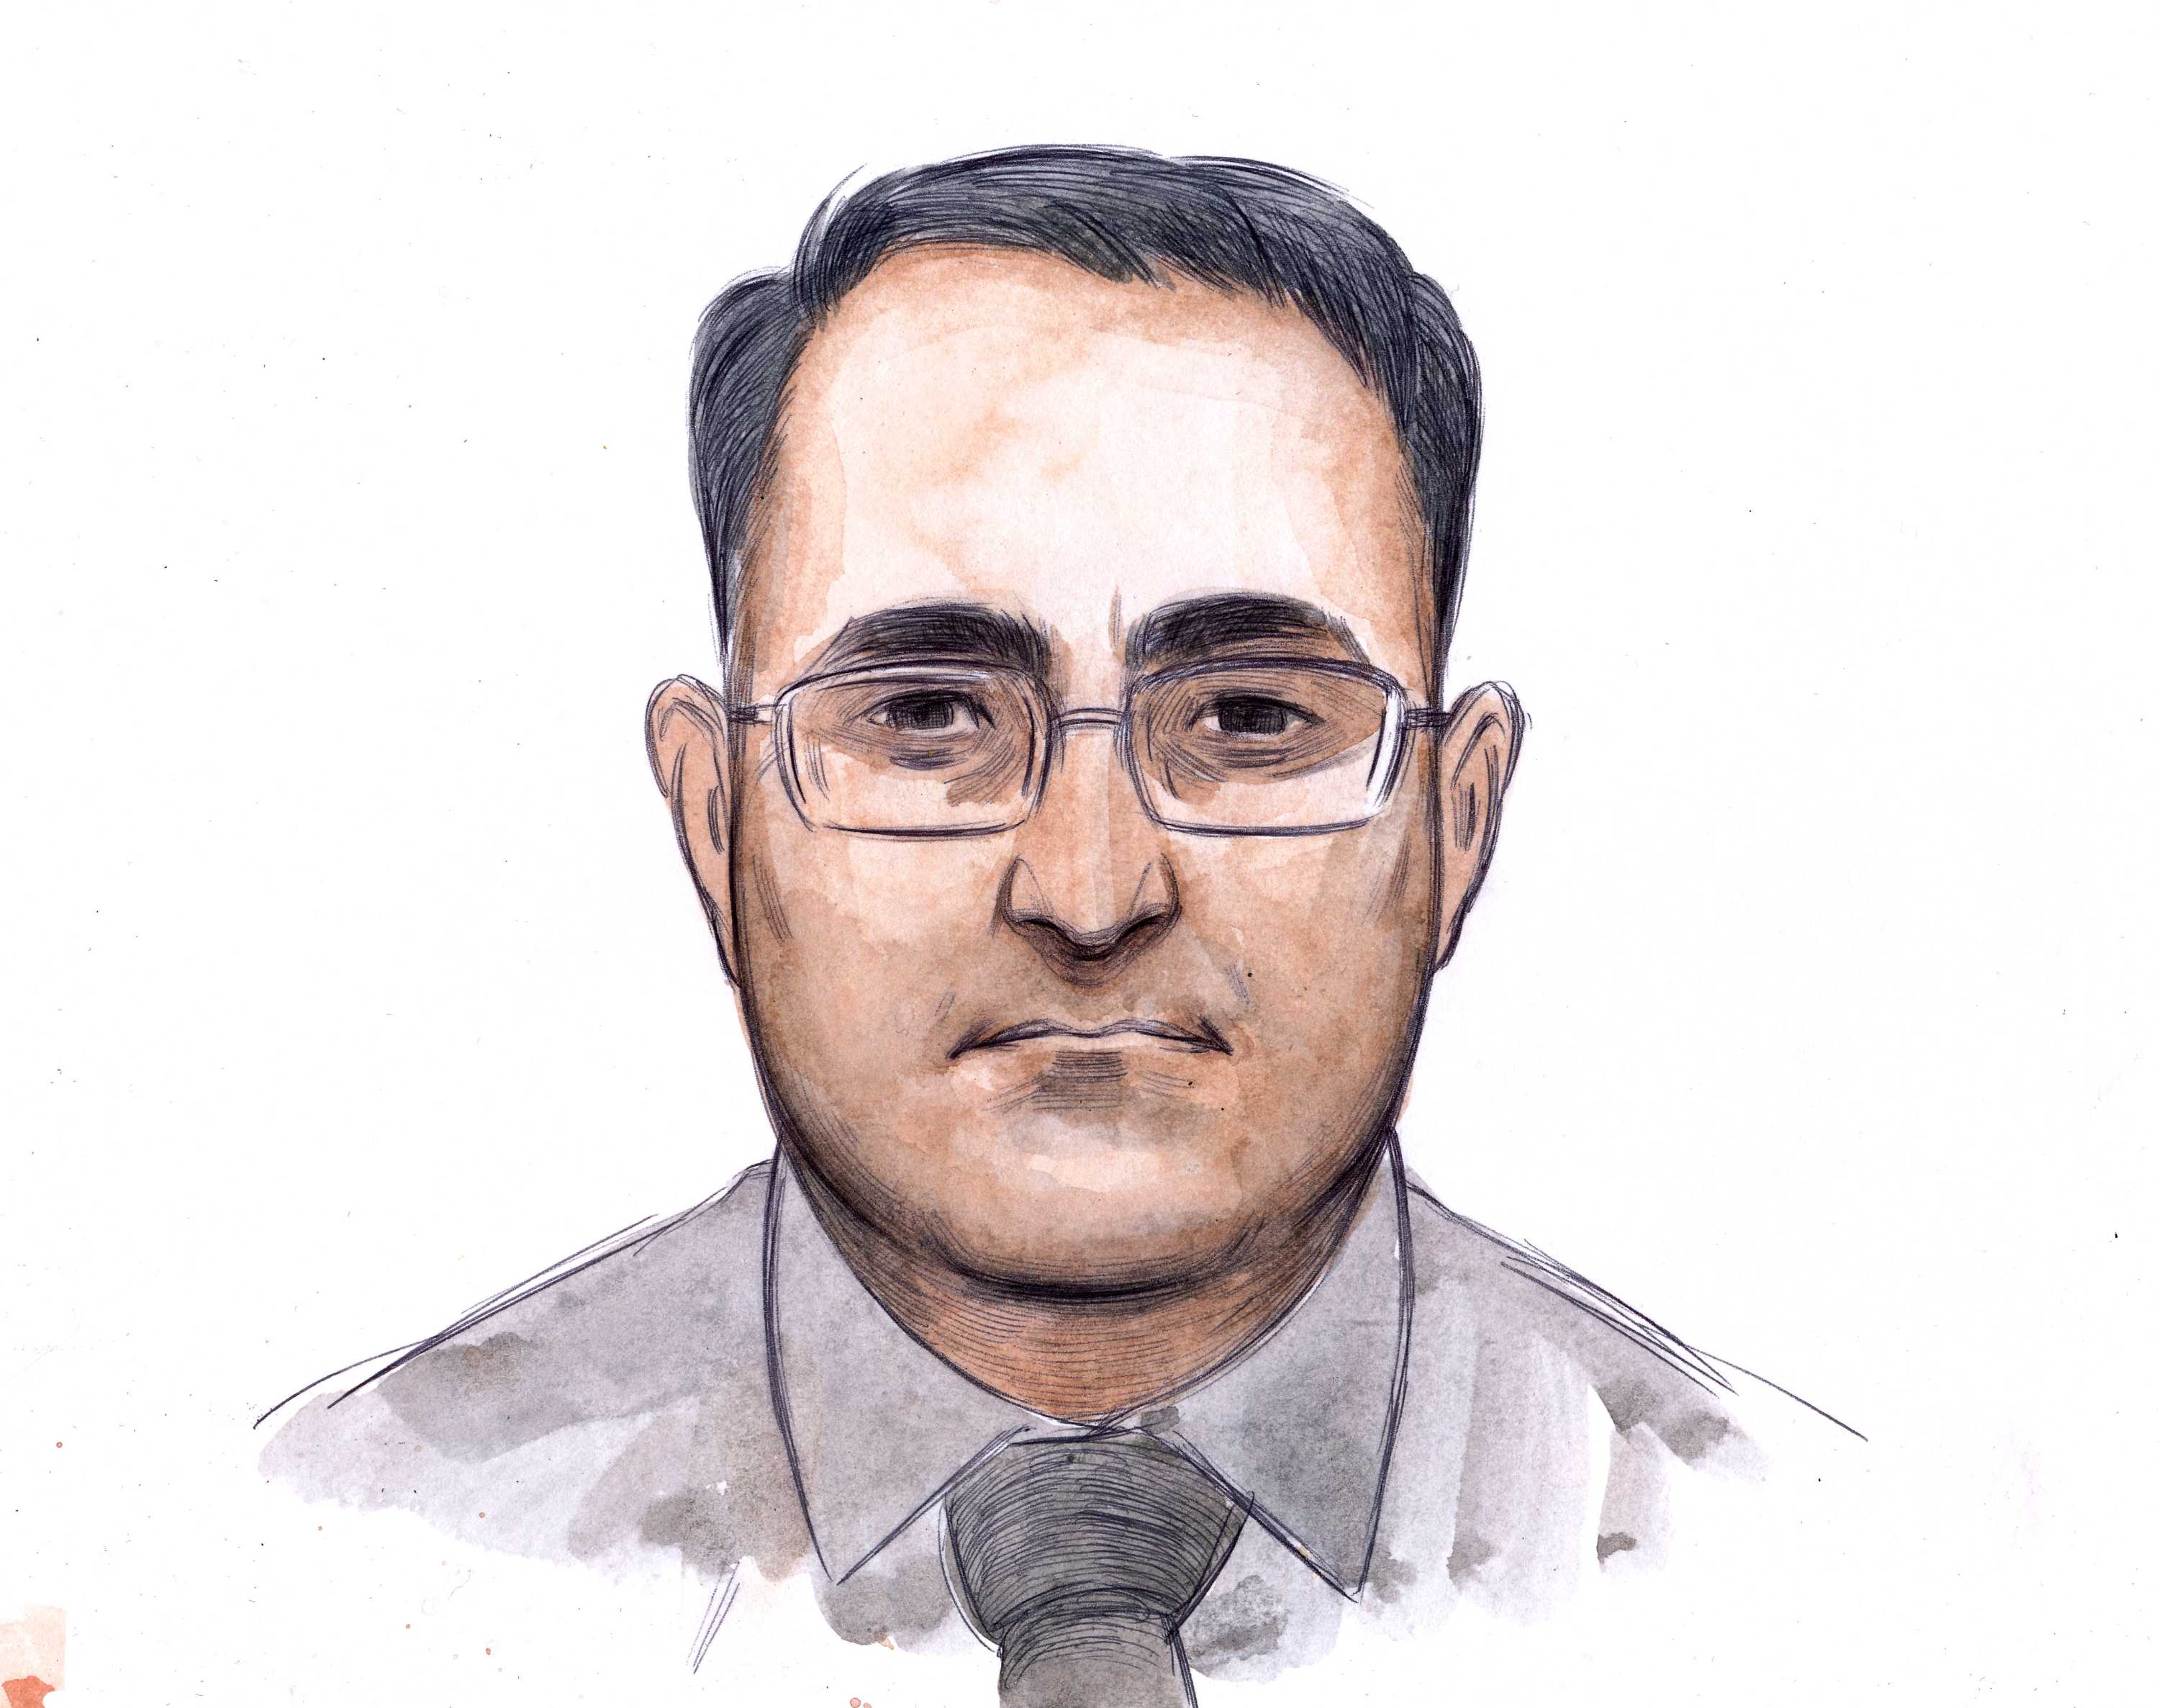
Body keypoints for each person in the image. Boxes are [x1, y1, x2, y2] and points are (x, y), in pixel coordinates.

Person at [259, 145, 1837, 1704]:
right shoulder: (341, 1561)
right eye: (926, 714)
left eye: (1251, 717)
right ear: (713, 815)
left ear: (1459, 816)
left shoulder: (1798, 1565)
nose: (1090, 893)